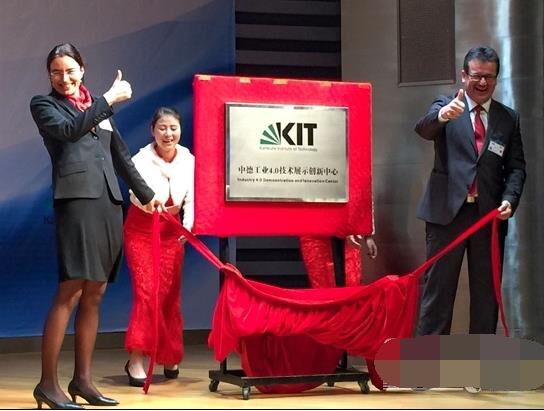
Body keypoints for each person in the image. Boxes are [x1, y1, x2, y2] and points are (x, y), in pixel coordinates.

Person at [30, 43, 160, 409]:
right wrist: (108, 98)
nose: (64, 78)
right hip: (76, 203)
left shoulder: (95, 107)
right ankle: (47, 385)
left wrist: (147, 194)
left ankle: (83, 381)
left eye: (70, 70)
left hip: (107, 203)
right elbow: (70, 130)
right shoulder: (45, 105)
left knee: (96, 292)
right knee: (70, 290)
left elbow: (120, 155)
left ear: (82, 69)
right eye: (56, 72)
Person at [415, 46, 526, 336]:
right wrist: (442, 116)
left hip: (487, 217)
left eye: (489, 77)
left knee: (486, 297)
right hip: (446, 216)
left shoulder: (508, 118)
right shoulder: (446, 105)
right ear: (464, 75)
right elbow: (424, 129)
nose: (482, 82)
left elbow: (516, 168)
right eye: (476, 75)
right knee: (438, 294)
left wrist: (509, 199)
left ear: (496, 79)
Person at [123, 107, 194, 386]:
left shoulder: (188, 159)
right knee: (147, 292)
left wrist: (188, 226)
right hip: (142, 230)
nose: (168, 134)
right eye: (162, 128)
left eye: (173, 128)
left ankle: (168, 353)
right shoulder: (140, 159)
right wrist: (150, 203)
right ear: (152, 130)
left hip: (172, 234)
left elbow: (194, 197)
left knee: (168, 294)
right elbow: (134, 193)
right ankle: (136, 359)